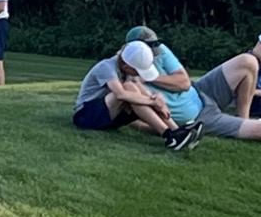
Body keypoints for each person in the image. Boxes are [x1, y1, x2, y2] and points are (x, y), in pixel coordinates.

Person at [71, 41, 201, 149]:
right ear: (127, 67)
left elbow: (142, 91)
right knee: (129, 88)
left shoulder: (127, 71)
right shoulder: (106, 67)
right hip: (86, 116)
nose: (140, 75)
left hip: (108, 116)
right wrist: (152, 101)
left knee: (136, 88)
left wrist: (158, 101)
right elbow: (120, 94)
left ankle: (177, 131)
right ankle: (169, 135)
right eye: (138, 71)